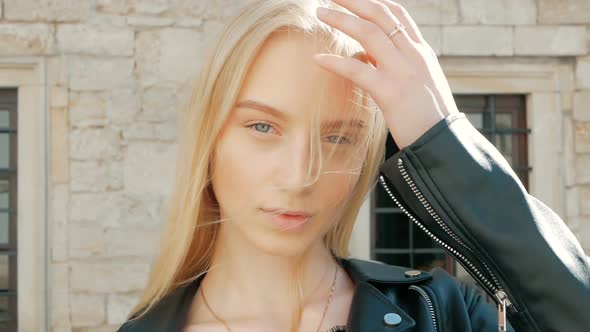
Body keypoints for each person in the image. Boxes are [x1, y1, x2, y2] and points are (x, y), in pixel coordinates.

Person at [116, 0, 590, 331]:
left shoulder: (443, 313)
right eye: (263, 127)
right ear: (210, 138)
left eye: (338, 137)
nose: (300, 176)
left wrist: (446, 141)